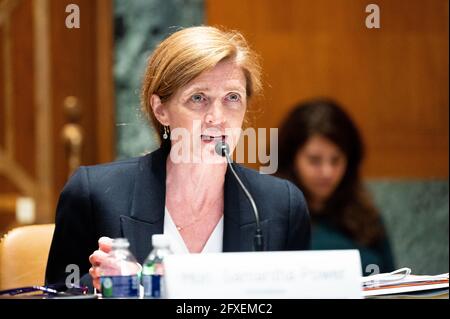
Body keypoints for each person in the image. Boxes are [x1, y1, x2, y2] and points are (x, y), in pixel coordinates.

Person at [45, 26, 311, 291]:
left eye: (232, 97)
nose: (217, 118)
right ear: (161, 110)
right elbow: (59, 293)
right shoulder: (94, 194)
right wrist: (103, 285)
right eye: (198, 98)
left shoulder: (282, 206)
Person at [276, 98, 395, 276]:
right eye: (314, 160)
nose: (327, 172)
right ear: (291, 160)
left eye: (336, 160)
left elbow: (394, 282)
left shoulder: (366, 215)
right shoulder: (271, 218)